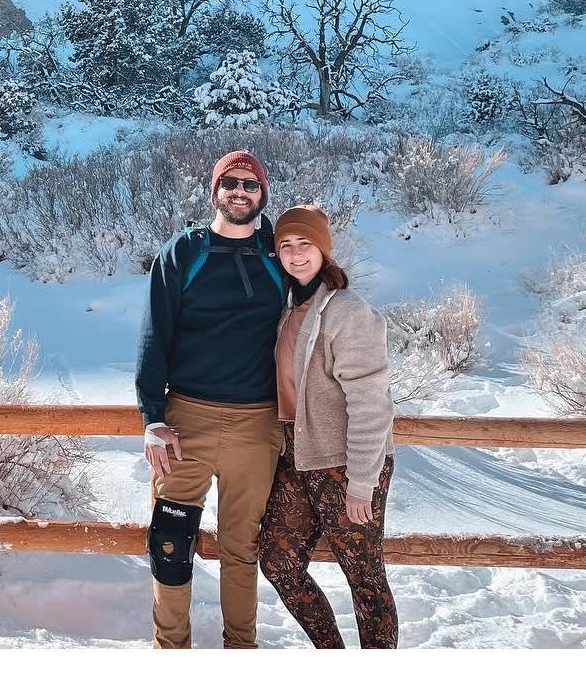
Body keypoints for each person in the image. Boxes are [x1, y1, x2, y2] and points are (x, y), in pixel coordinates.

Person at [135, 150, 286, 648]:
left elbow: (318, 310)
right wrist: (152, 417)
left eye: (251, 185)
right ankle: (170, 650)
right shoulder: (184, 252)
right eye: (231, 183)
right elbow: (155, 336)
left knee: (242, 548)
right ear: (214, 190)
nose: (240, 192)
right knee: (170, 542)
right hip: (187, 422)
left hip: (256, 424)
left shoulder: (277, 254)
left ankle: (240, 650)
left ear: (263, 194)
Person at [258, 204, 398, 649]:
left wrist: (362, 482)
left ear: (324, 250)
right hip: (296, 456)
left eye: (306, 245)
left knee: (363, 574)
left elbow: (371, 403)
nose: (296, 255)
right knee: (278, 560)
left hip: (344, 462)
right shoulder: (288, 309)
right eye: (286, 246)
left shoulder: (349, 313)